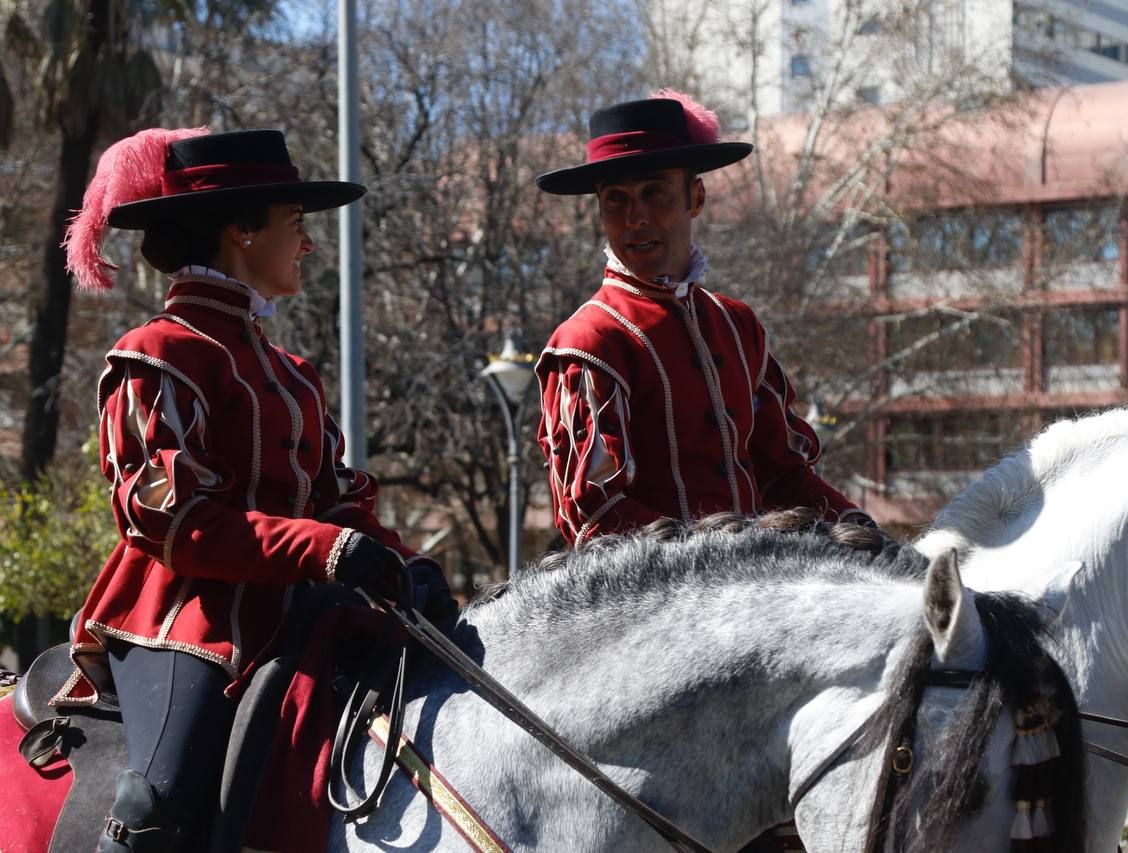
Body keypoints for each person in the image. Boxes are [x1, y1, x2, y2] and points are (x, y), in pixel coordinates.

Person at [55, 128, 457, 851]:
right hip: (185, 621)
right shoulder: (155, 354)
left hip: (301, 611)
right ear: (241, 230)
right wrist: (327, 549)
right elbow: (171, 521)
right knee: (160, 797)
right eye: (295, 226)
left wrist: (404, 560)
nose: (307, 246)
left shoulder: (294, 369)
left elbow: (337, 501)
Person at [532, 90, 875, 547]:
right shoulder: (589, 340)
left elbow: (783, 475)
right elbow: (592, 511)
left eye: (654, 192)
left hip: (757, 582)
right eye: (616, 200)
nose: (635, 217)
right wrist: (711, 564)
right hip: (653, 603)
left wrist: (864, 532)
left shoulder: (737, 325)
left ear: (695, 197)